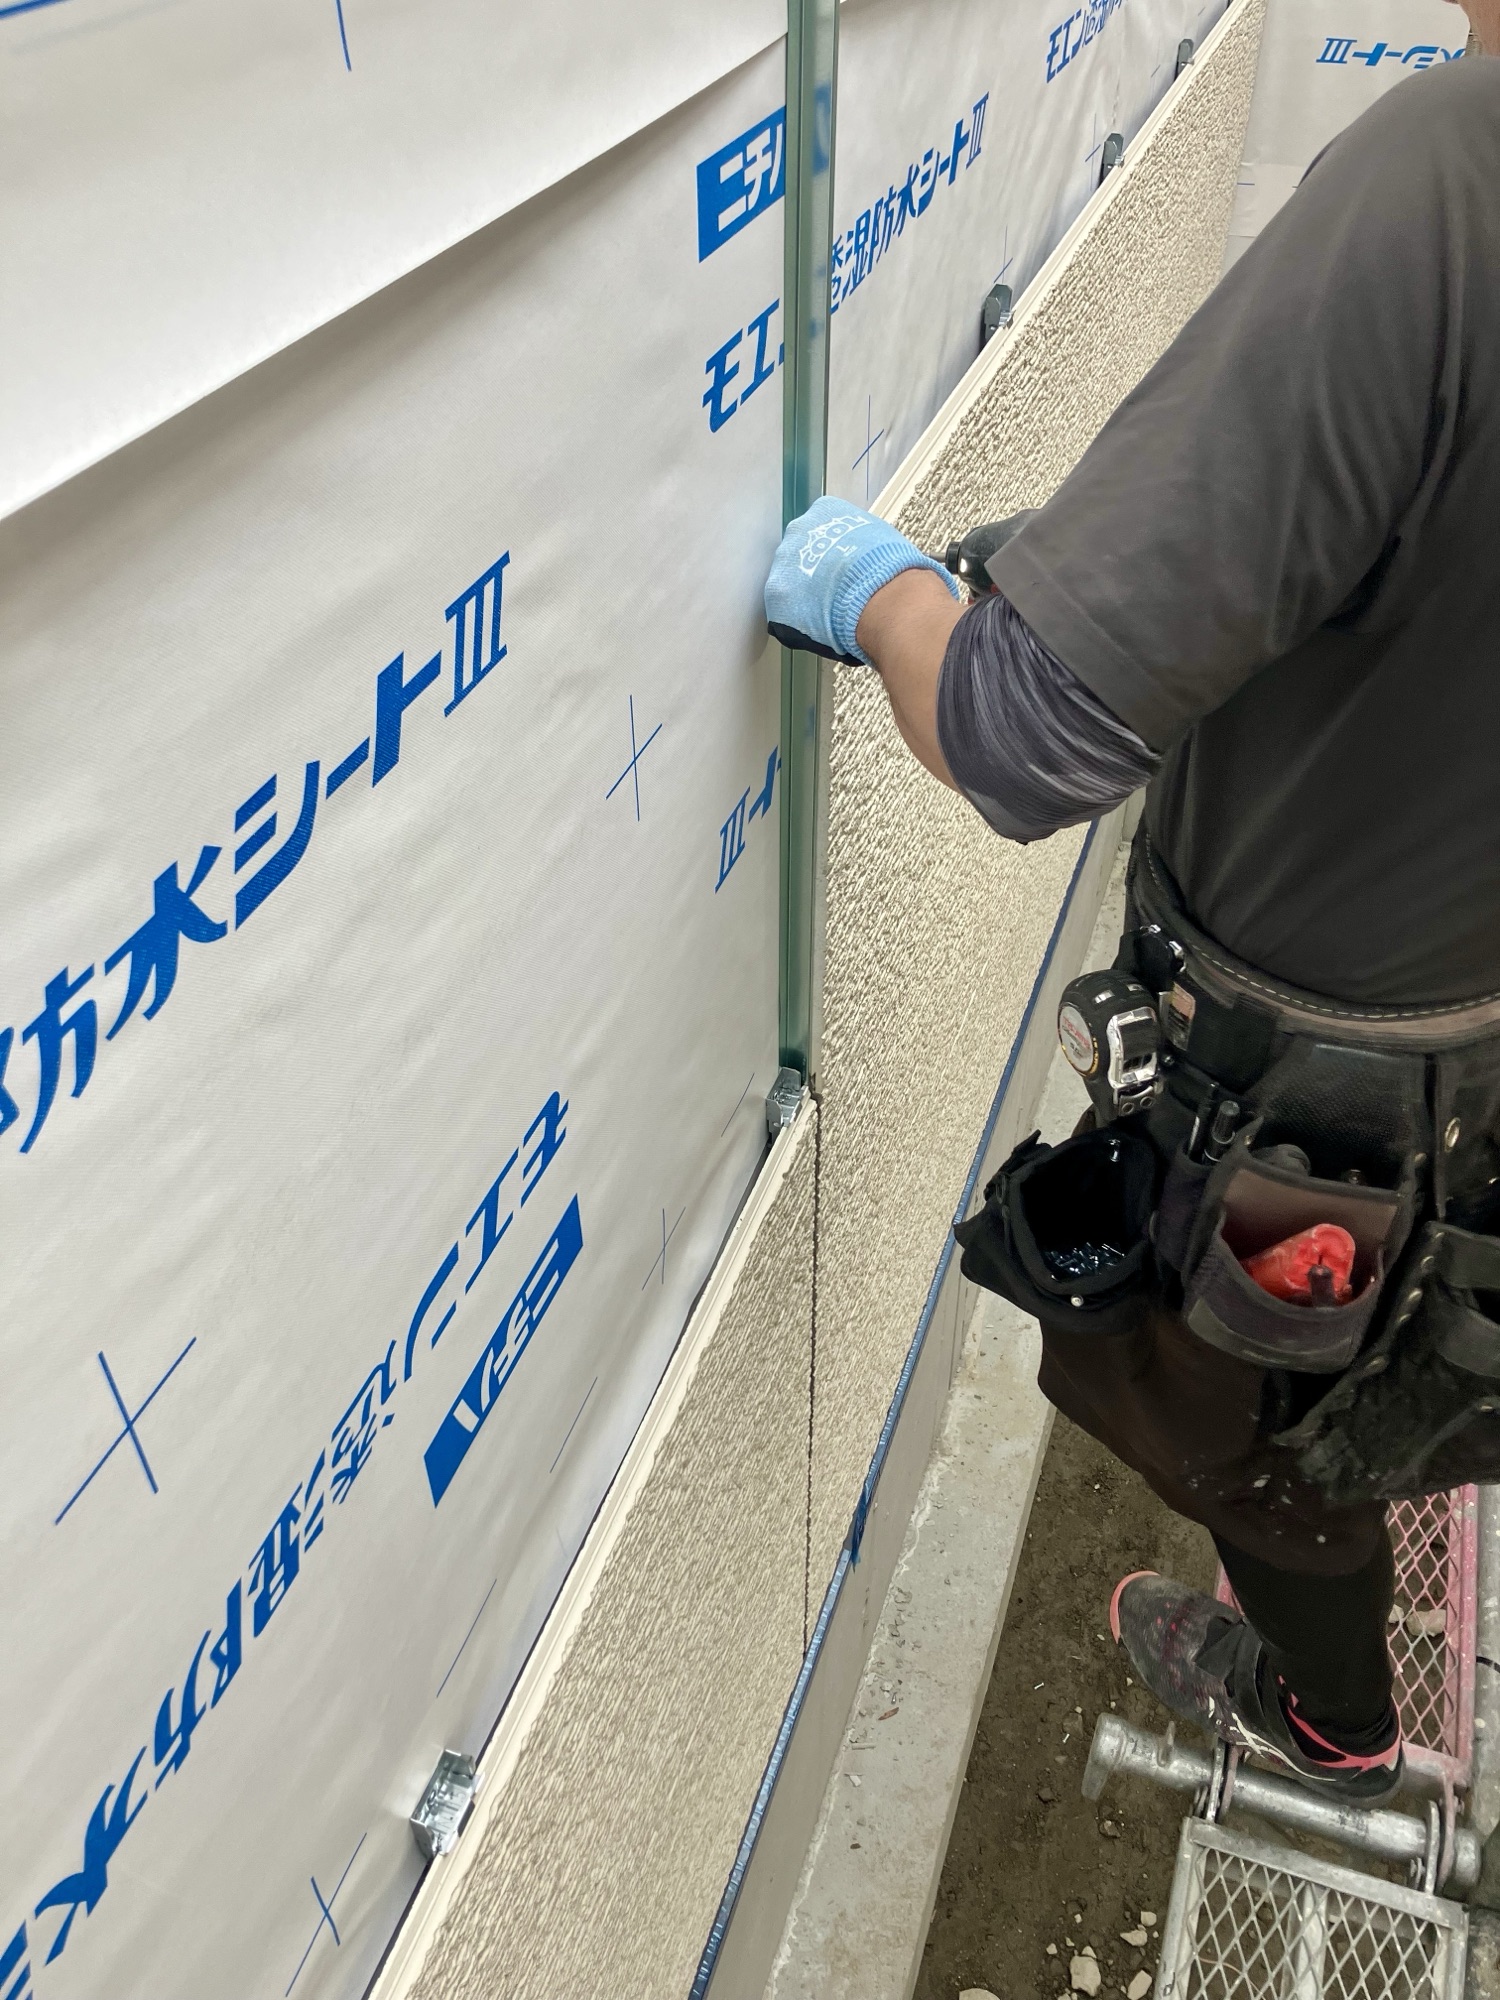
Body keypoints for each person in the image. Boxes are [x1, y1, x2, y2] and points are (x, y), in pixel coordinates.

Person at [764, 20, 1499, 1806]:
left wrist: (880, 593)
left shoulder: (1453, 178)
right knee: (1435, 1350)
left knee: (1269, 1426)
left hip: (1325, 1100)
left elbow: (1022, 733)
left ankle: (1333, 1730)